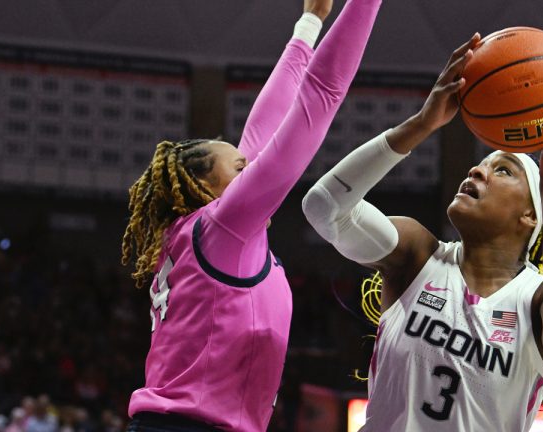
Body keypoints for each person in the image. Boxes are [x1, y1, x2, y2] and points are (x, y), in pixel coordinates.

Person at [302, 33, 543, 431]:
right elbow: (325, 207)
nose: (476, 171)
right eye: (481, 165)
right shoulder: (417, 255)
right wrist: (422, 124)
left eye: (502, 170)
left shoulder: (534, 298)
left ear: (530, 216)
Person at [120, 0, 383, 430]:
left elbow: (264, 125)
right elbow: (322, 93)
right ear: (205, 188)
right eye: (239, 166)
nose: (250, 164)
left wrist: (309, 22)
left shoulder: (201, 232)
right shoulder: (222, 227)